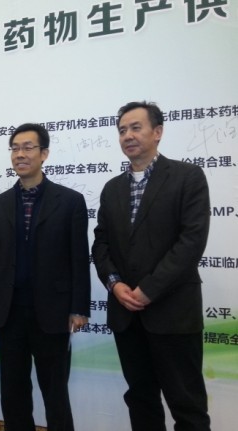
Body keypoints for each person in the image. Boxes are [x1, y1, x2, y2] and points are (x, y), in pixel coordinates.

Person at [92, 101, 211, 431]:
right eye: (122, 130)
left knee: (187, 405)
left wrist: (148, 289)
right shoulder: (112, 188)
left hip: (173, 313)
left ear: (157, 132)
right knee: (141, 399)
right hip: (126, 315)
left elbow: (191, 242)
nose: (127, 135)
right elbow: (101, 244)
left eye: (135, 127)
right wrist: (115, 283)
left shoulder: (187, 177)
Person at [0, 123, 90, 431]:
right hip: (10, 311)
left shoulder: (69, 201)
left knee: (55, 391)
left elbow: (79, 258)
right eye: (15, 148)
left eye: (28, 147)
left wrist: (79, 307)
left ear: (44, 154)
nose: (20, 154)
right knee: (13, 391)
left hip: (53, 311)